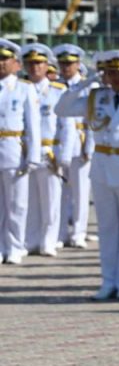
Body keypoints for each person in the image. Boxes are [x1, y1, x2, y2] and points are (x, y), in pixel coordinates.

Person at [56, 50, 119, 300]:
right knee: (107, 230)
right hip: (102, 170)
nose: (116, 78)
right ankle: (108, 281)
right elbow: (62, 108)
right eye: (110, 73)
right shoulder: (96, 97)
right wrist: (87, 81)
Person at [21, 44, 67, 257]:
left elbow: (67, 126)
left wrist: (63, 155)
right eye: (30, 63)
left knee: (51, 200)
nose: (34, 67)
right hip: (25, 150)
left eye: (39, 63)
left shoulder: (58, 91)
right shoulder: (21, 89)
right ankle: (30, 240)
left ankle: (49, 241)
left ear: (47, 65)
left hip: (50, 151)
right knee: (29, 200)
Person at [0, 39, 41, 264]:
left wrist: (33, 156)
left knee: (17, 204)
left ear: (15, 63)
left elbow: (33, 125)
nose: (1, 63)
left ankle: (15, 246)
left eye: (4, 59)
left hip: (14, 151)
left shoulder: (24, 88)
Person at [53, 44, 92, 249]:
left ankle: (78, 232)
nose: (66, 67)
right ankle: (60, 233)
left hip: (79, 142)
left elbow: (93, 119)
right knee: (60, 193)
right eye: (62, 63)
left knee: (80, 192)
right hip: (58, 145)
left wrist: (89, 147)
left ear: (78, 64)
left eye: (69, 63)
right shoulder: (55, 86)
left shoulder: (87, 86)